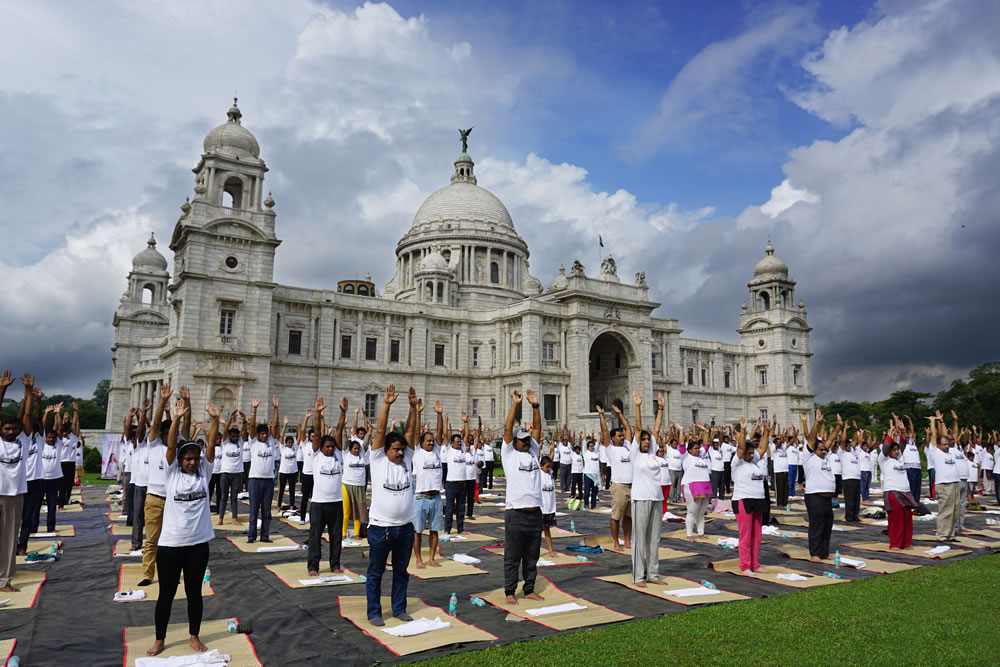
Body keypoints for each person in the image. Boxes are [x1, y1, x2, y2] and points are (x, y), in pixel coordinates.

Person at [145, 398, 217, 658]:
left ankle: (194, 636)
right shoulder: (171, 473)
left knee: (194, 593)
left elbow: (210, 448)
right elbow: (172, 444)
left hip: (198, 544)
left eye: (195, 459)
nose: (192, 462)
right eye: (187, 459)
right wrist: (175, 419)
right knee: (166, 594)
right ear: (179, 460)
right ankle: (159, 639)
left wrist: (215, 420)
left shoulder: (204, 473)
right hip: (171, 545)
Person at [365, 384, 417, 627]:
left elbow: (410, 432)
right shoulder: (376, 459)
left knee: (401, 572)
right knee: (376, 573)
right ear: (385, 450)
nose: (399, 453)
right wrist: (385, 404)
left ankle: (399, 608)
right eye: (395, 449)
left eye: (401, 450)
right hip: (381, 529)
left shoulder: (406, 459)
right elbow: (380, 432)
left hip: (405, 528)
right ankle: (374, 612)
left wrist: (413, 408)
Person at [501, 389, 544, 605]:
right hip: (516, 513)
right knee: (512, 556)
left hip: (535, 513)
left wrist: (535, 406)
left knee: (532, 557)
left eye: (527, 439)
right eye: (522, 440)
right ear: (514, 442)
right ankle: (510, 591)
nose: (526, 442)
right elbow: (508, 428)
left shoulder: (532, 452)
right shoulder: (509, 454)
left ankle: (529, 589)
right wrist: (515, 405)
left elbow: (537, 429)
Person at [139, 383, 182, 587]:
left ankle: (171, 572)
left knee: (174, 539)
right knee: (152, 540)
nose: (167, 436)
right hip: (154, 499)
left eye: (170, 433)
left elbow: (180, 429)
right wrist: (163, 400)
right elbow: (156, 424)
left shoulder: (175, 451)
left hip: (173, 501)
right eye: (165, 433)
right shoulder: (153, 444)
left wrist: (177, 416)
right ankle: (148, 574)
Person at [307, 397, 347, 576]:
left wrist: (343, 413)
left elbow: (339, 431)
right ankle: (313, 566)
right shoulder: (317, 455)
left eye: (332, 446)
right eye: (327, 447)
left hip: (336, 503)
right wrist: (318, 413)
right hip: (318, 504)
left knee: (336, 536)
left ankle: (335, 564)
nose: (330, 449)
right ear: (320, 447)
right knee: (315, 536)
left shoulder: (338, 455)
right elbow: (316, 431)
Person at [628, 391, 663, 588]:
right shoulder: (635, 454)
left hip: (656, 498)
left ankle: (653, 573)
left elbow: (656, 429)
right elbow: (639, 428)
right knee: (639, 538)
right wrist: (638, 406)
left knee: (653, 538)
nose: (647, 442)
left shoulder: (652, 455)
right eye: (644, 439)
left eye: (648, 440)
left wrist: (660, 409)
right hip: (640, 498)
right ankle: (638, 576)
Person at [1, 372, 30, 592]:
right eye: (6, 429)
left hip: (14, 497)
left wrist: (28, 391)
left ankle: (4, 580)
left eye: (14, 429)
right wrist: (2, 389)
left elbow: (27, 415)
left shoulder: (24, 442)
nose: (11, 432)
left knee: (10, 540)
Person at [731, 417, 770, 575]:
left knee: (757, 536)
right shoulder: (737, 462)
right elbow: (741, 447)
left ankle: (755, 563)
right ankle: (745, 566)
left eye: (751, 452)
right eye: (748, 452)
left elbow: (763, 446)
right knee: (746, 536)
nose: (751, 454)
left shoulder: (754, 461)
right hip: (743, 500)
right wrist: (743, 430)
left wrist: (766, 431)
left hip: (758, 500)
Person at [800, 410, 839, 561]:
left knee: (827, 526)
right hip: (815, 496)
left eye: (824, 450)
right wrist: (815, 422)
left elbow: (830, 440)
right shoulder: (808, 457)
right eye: (820, 449)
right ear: (813, 450)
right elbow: (811, 439)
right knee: (817, 527)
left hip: (826, 499)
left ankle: (824, 552)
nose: (823, 451)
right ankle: (815, 554)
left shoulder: (824, 457)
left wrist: (838, 427)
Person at [412, 403, 443, 569]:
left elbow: (440, 433)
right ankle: (418, 559)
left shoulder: (437, 451)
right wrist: (418, 414)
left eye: (432, 441)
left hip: (436, 497)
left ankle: (431, 558)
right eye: (428, 441)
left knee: (434, 530)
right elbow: (416, 433)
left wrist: (439, 415)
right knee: (417, 531)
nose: (431, 443)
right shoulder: (417, 452)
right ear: (422, 443)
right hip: (420, 497)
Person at [599, 404, 633, 550]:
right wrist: (601, 415)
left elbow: (628, 429)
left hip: (632, 485)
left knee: (629, 516)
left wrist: (619, 414)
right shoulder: (610, 449)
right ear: (613, 438)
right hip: (619, 486)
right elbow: (604, 431)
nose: (622, 437)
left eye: (622, 435)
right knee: (616, 516)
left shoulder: (629, 446)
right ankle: (615, 541)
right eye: (619, 436)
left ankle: (627, 540)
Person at [246, 396, 279, 543]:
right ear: (258, 435)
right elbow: (252, 427)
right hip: (254, 480)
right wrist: (254, 410)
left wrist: (276, 409)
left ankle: (264, 536)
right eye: (262, 434)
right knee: (254, 510)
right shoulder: (253, 442)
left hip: (268, 481)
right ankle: (251, 536)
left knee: (266, 511)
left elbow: (276, 427)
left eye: (266, 433)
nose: (264, 435)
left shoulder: (271, 442)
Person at [16, 381, 43, 556]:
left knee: (27, 517)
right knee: (13, 519)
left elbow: (36, 417)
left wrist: (37, 400)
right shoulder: (18, 439)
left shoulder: (39, 438)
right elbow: (22, 416)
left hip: (34, 482)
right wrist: (25, 396)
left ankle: (22, 546)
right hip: (19, 481)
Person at [926, 412, 961, 542]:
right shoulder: (935, 452)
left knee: (955, 511)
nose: (947, 446)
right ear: (938, 445)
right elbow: (935, 435)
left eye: (948, 444)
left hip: (955, 483)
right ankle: (941, 535)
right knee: (945, 511)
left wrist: (942, 422)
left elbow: (947, 435)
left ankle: (950, 534)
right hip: (945, 484)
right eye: (944, 444)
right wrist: (933, 421)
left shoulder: (951, 451)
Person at [878, 433, 915, 549]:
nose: (896, 452)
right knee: (896, 519)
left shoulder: (900, 460)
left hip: (906, 492)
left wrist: (902, 432)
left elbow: (903, 445)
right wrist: (890, 434)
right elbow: (885, 447)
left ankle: (906, 543)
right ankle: (895, 543)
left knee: (907, 519)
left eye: (897, 450)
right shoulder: (883, 460)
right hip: (893, 492)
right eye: (893, 450)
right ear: (888, 451)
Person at [680, 425, 712, 537]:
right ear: (689, 450)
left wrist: (705, 431)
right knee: (693, 510)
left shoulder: (701, 456)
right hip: (691, 484)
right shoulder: (685, 456)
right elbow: (681, 444)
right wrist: (681, 430)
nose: (698, 450)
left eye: (698, 448)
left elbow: (707, 444)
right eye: (695, 448)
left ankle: (701, 533)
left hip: (705, 485)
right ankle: (689, 534)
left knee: (702, 511)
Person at [131, 399, 151, 553]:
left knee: (152, 517)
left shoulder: (158, 447)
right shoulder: (138, 446)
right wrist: (143, 413)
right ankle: (136, 542)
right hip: (140, 485)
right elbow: (140, 429)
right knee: (138, 514)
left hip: (154, 487)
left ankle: (152, 542)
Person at [443, 413, 467, 535]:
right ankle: (447, 529)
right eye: (456, 442)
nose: (459, 443)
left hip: (462, 483)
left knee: (461, 508)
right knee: (449, 508)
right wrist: (445, 422)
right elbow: (446, 435)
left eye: (459, 442)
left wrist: (466, 422)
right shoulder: (448, 450)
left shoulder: (462, 450)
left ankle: (460, 529)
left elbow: (466, 437)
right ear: (451, 443)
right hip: (451, 483)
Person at [343, 429, 370, 538]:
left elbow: (366, 443)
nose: (357, 450)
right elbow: (344, 441)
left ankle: (357, 533)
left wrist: (370, 432)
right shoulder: (345, 454)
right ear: (350, 449)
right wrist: (344, 427)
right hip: (346, 486)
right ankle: (343, 533)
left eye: (358, 449)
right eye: (355, 449)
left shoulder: (362, 455)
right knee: (346, 510)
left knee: (358, 512)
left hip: (359, 487)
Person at [56, 402, 80, 508]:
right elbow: (59, 426)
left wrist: (75, 412)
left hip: (70, 462)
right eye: (63, 432)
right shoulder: (59, 438)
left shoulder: (73, 437)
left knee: (69, 484)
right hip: (61, 462)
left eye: (66, 431)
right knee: (61, 485)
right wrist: (60, 416)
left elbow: (74, 425)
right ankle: (61, 503)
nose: (64, 433)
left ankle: (66, 499)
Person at [539, 442, 558, 557]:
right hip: (541, 507)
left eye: (550, 466)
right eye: (547, 466)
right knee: (536, 531)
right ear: (541, 466)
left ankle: (550, 550)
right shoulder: (539, 473)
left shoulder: (550, 473)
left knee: (547, 529)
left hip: (549, 508)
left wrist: (553, 441)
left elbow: (552, 455)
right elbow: (537, 456)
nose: (549, 468)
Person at [840, 434, 863, 522]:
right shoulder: (842, 453)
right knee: (849, 499)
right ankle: (849, 516)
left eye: (849, 445)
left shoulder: (854, 453)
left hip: (857, 479)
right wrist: (845, 429)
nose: (849, 446)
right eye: (847, 445)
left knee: (856, 499)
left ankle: (855, 515)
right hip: (848, 479)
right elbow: (842, 441)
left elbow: (857, 441)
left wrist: (856, 432)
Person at [277, 431, 299, 510]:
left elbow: (299, 436)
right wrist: (285, 425)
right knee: (281, 490)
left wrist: (300, 425)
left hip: (293, 472)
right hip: (283, 472)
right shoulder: (283, 448)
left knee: (292, 490)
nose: (290, 444)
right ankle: (278, 506)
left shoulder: (295, 448)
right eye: (289, 442)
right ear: (286, 443)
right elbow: (282, 437)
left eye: (291, 442)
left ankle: (292, 506)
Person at [770, 435, 790, 508]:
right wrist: (782, 438)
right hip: (778, 471)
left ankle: (785, 502)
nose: (781, 444)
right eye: (779, 442)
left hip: (785, 470)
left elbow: (790, 443)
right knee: (779, 488)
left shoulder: (783, 449)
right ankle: (779, 503)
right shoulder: (773, 449)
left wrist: (795, 436)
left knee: (785, 488)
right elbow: (778, 444)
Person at [582, 438, 602, 510]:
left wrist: (600, 433)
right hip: (588, 474)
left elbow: (598, 442)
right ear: (587, 447)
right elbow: (584, 443)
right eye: (590, 446)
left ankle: (593, 505)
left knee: (595, 491)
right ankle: (586, 504)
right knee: (587, 491)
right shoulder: (585, 452)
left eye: (593, 446)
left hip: (596, 475)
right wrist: (584, 434)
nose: (592, 447)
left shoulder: (596, 452)